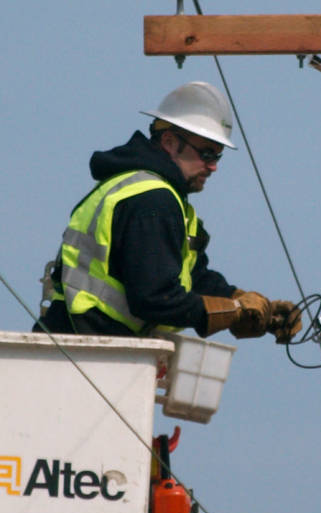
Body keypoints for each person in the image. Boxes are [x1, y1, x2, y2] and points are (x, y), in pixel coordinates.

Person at [38, 80, 299, 343]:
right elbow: (155, 299)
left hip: (95, 341)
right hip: (84, 344)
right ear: (170, 142)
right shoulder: (151, 200)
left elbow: (193, 278)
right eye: (207, 154)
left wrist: (240, 302)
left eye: (217, 157)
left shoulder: (164, 199)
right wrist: (233, 313)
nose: (213, 167)